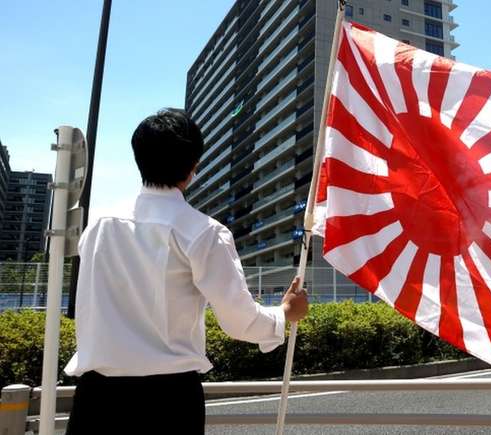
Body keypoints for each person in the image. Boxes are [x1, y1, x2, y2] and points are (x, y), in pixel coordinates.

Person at [63, 108, 309, 434]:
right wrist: (285, 313)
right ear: (194, 167)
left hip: (96, 399)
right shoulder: (204, 232)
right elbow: (239, 321)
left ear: (139, 159)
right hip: (168, 401)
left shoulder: (98, 226)